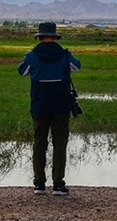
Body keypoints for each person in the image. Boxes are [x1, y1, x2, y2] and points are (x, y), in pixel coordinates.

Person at [17, 21, 81, 196]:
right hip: (61, 105)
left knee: (39, 144)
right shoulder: (65, 54)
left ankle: (39, 184)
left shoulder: (31, 55)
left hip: (39, 105)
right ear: (54, 37)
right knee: (59, 145)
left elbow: (22, 71)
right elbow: (77, 66)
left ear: (39, 37)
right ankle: (58, 184)